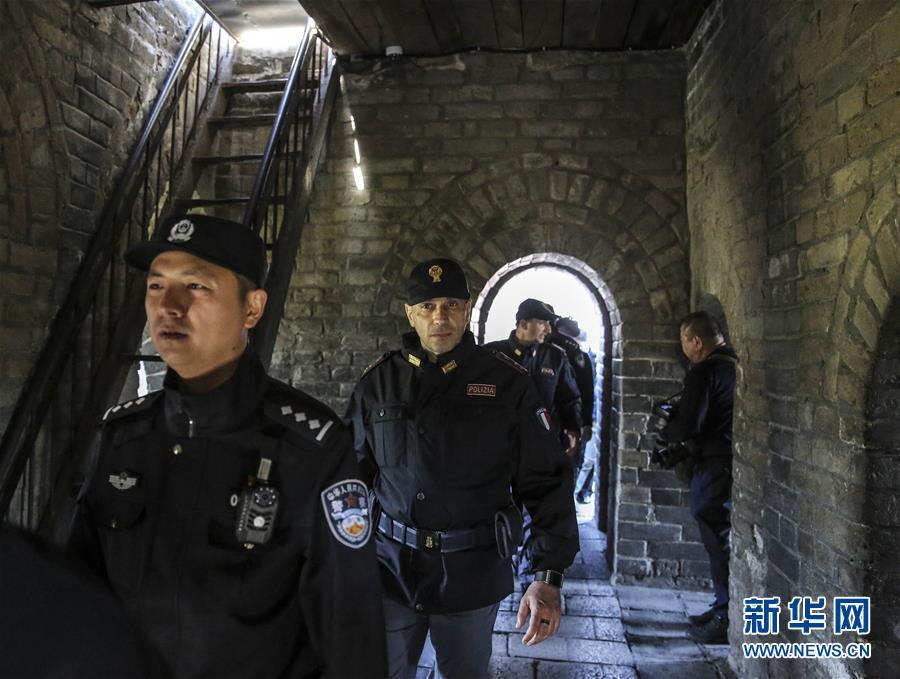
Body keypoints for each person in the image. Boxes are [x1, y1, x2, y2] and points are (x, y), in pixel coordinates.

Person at [68, 214, 387, 679]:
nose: (168, 306)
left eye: (195, 286)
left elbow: (351, 635)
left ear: (252, 309)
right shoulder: (124, 439)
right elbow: (81, 598)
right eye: (156, 286)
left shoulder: (311, 450)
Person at [346, 258, 579, 679]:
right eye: (428, 306)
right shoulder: (377, 384)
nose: (441, 317)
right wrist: (336, 563)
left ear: (468, 310)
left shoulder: (508, 383)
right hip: (391, 567)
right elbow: (349, 483)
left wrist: (548, 574)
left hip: (472, 569)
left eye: (451, 304)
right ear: (409, 314)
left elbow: (546, 480)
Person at [661, 311, 737, 645]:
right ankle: (723, 605)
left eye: (684, 342)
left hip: (711, 461)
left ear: (696, 341)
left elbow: (689, 423)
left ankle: (725, 614)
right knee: (718, 534)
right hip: (727, 458)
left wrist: (668, 430)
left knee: (714, 533)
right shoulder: (731, 364)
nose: (684, 349)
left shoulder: (704, 371)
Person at [484, 299, 582, 454]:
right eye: (543, 323)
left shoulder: (556, 357)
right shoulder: (490, 354)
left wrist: (573, 427)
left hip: (543, 446)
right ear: (524, 324)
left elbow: (569, 398)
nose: (549, 330)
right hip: (501, 447)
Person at [547, 317, 596, 503]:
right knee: (567, 473)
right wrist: (586, 423)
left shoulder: (544, 351)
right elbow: (587, 393)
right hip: (571, 425)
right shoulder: (579, 356)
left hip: (547, 425)